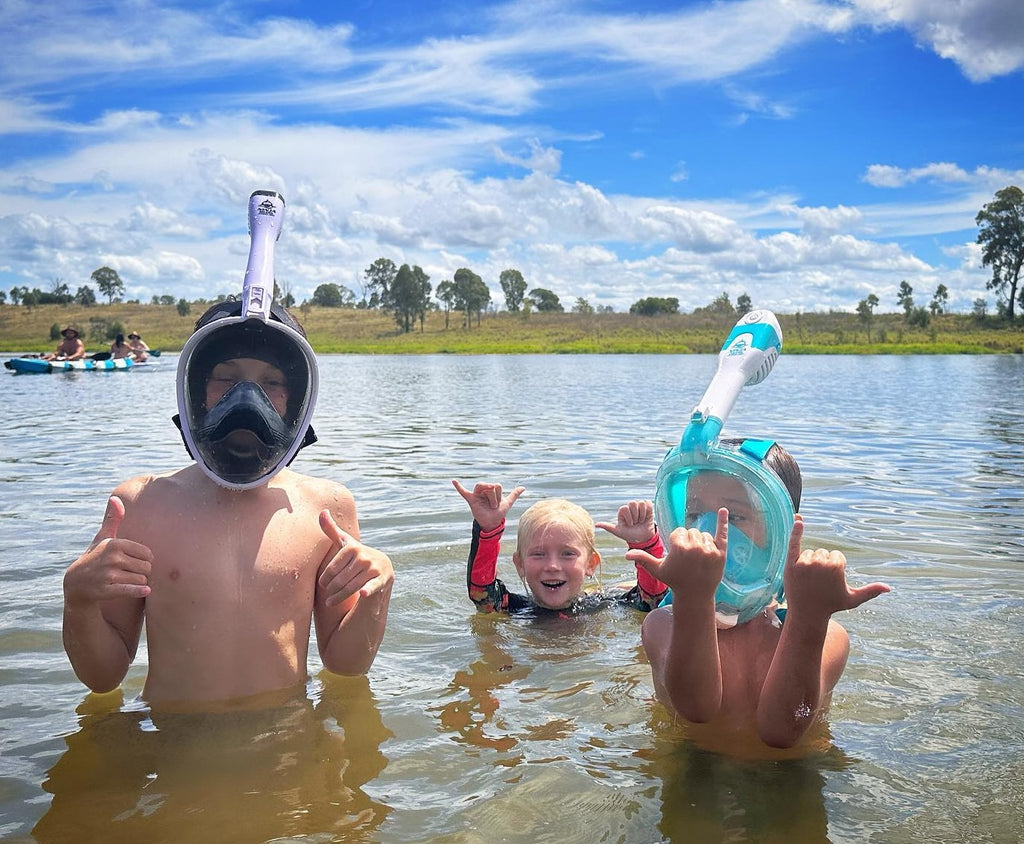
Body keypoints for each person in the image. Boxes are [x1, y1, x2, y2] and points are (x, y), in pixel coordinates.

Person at [62, 299, 395, 708]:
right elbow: (102, 678)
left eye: (271, 382)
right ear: (196, 389)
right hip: (171, 734)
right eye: (225, 378)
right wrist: (79, 599)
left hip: (285, 733)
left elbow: (347, 666)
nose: (247, 398)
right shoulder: (141, 505)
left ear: (296, 398)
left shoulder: (327, 507)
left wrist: (378, 589)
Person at [632, 440, 890, 749]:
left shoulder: (828, 636)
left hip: (795, 772)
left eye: (735, 517)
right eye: (694, 514)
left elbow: (782, 731)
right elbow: (696, 709)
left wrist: (810, 617)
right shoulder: (663, 625)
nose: (709, 531)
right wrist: (693, 598)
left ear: (783, 530)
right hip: (694, 765)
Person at [452, 479, 668, 616]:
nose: (552, 566)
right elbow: (482, 593)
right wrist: (488, 530)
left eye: (568, 554)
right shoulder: (514, 609)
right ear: (520, 564)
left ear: (591, 564)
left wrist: (644, 544)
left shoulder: (603, 607)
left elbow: (652, 602)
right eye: (538, 554)